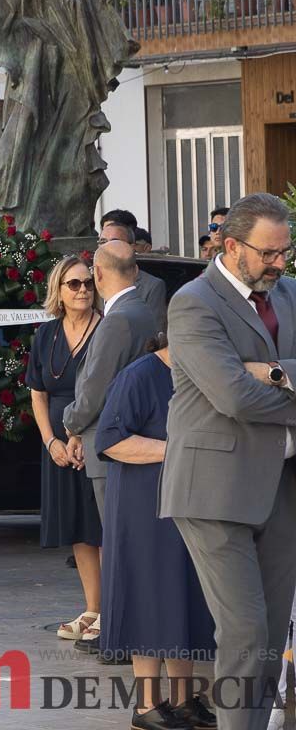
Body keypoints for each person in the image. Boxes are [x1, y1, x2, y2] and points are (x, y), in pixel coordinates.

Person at [162, 194, 296, 730]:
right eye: (269, 253)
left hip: (281, 483)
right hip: (214, 489)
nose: (280, 263)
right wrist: (261, 381)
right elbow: (233, 398)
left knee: (266, 635)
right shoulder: (193, 302)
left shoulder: (289, 293)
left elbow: (253, 386)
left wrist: (274, 371)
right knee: (243, 630)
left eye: (285, 251)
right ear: (232, 246)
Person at [94, 334, 218, 729]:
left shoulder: (197, 374)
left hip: (187, 503)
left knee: (180, 598)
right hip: (142, 506)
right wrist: (177, 448)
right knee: (148, 598)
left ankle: (182, 700)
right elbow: (111, 440)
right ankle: (147, 705)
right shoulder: (139, 375)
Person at [62, 241, 157, 653]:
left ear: (99, 275)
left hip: (112, 444)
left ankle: (119, 638)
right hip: (126, 441)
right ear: (134, 271)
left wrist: (71, 425)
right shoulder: (146, 310)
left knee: (119, 545)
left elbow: (96, 388)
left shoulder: (119, 320)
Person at [27, 256, 104, 648]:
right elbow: (37, 392)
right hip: (59, 445)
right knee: (78, 529)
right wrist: (51, 441)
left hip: (97, 441)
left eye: (88, 283)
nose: (82, 290)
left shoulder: (106, 330)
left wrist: (81, 437)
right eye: (73, 284)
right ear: (58, 290)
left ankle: (111, 610)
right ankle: (92, 608)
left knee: (103, 528)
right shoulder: (46, 334)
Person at [97, 220, 167, 331]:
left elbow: (154, 333)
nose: (107, 247)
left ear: (132, 247)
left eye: (115, 242)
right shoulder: (87, 282)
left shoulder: (152, 286)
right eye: (103, 242)